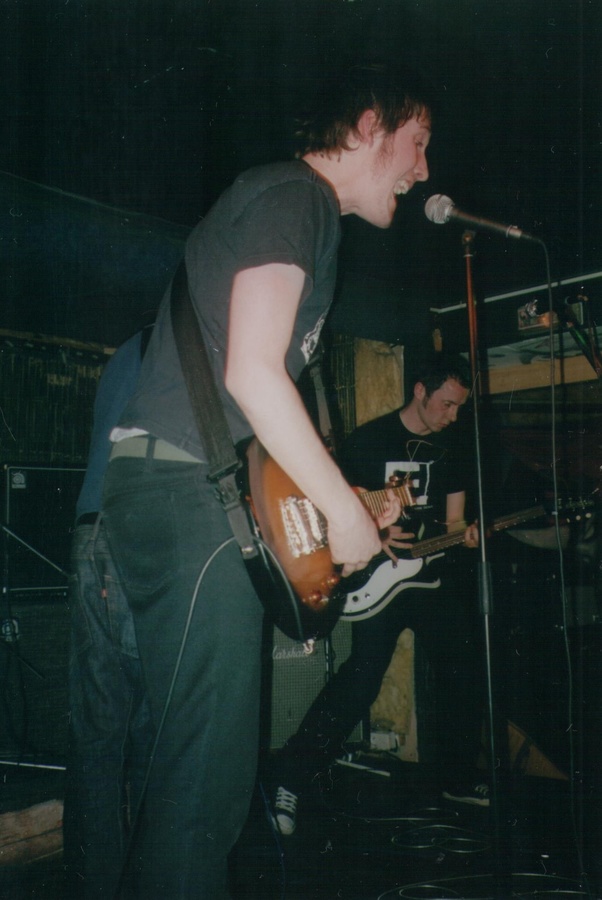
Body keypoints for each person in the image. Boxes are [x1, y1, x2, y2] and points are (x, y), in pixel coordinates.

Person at [99, 62, 434, 898]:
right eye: (418, 142)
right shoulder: (298, 197)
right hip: (192, 503)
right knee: (200, 800)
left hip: (169, 495)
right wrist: (345, 518)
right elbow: (252, 372)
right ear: (369, 128)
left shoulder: (283, 203)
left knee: (168, 782)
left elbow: (256, 410)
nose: (424, 169)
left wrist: (344, 504)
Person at [270, 353, 485, 837]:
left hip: (427, 577)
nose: (453, 416)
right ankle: (291, 776)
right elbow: (332, 512)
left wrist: (465, 535)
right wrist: (375, 535)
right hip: (378, 578)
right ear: (420, 391)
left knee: (463, 665)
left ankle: (457, 778)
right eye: (447, 404)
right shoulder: (368, 441)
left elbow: (454, 521)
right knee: (362, 679)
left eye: (459, 407)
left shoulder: (451, 448)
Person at [62, 327, 154, 898]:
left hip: (93, 531)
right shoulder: (176, 345)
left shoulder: (129, 351)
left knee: (98, 733)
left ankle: (95, 884)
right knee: (153, 731)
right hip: (133, 534)